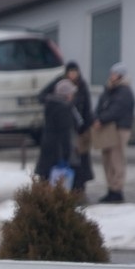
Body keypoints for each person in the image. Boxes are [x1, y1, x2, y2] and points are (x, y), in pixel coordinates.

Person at [38, 61, 94, 195]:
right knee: (70, 167)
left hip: (73, 135)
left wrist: (86, 126)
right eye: (70, 71)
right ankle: (72, 194)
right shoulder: (63, 107)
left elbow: (87, 109)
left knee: (78, 164)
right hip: (63, 144)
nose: (73, 74)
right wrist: (66, 154)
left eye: (75, 72)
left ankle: (75, 190)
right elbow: (64, 133)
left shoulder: (81, 87)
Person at [91, 62, 135, 204]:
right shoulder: (109, 90)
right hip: (108, 129)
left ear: (120, 75)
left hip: (119, 128)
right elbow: (101, 106)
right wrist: (96, 118)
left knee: (117, 159)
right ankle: (110, 188)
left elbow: (116, 110)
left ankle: (117, 189)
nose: (111, 76)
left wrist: (101, 119)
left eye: (114, 74)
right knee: (107, 158)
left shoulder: (124, 92)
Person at [33, 78, 77, 187]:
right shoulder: (64, 109)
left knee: (45, 178)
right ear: (66, 94)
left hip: (48, 145)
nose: (73, 96)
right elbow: (65, 133)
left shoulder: (50, 104)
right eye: (71, 93)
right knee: (56, 183)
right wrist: (67, 155)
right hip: (58, 150)